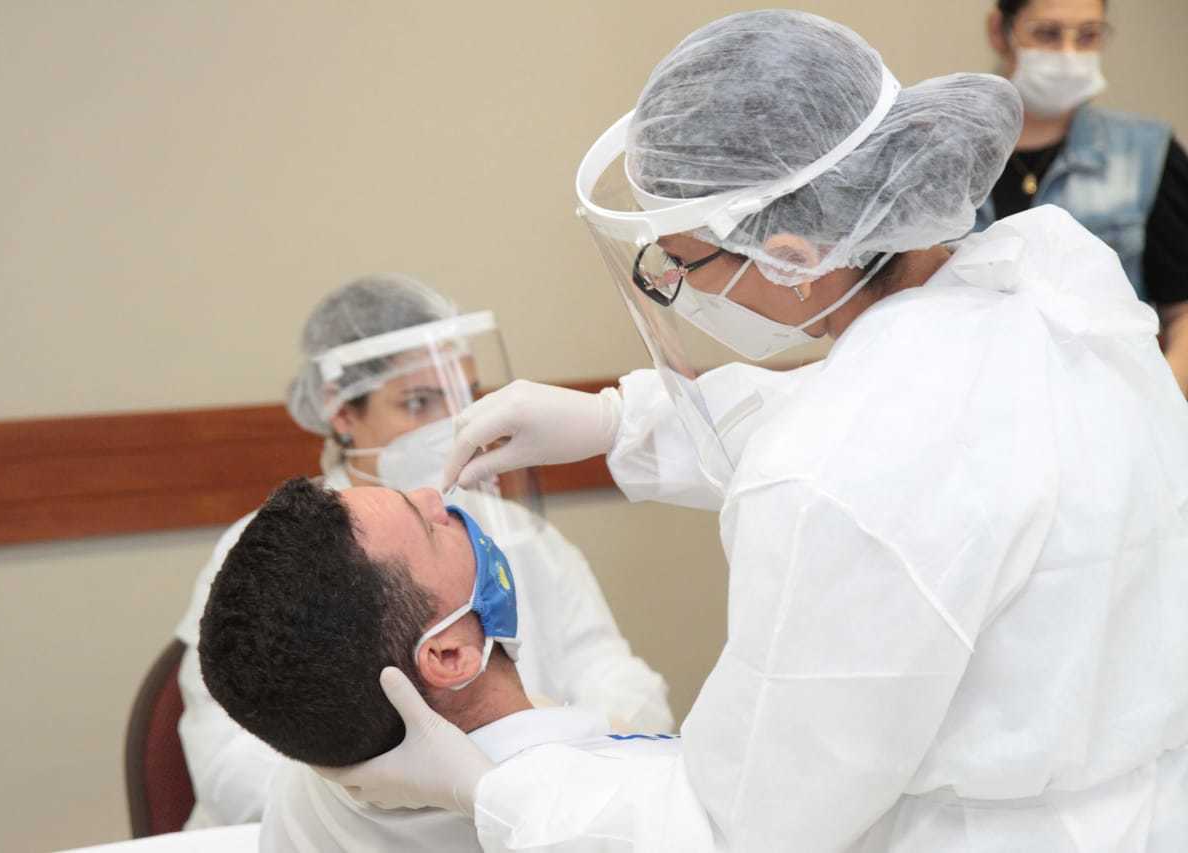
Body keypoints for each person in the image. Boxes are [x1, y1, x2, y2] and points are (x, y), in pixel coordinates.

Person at [326, 11, 1188, 852]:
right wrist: (617, 421)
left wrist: (490, 787)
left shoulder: (836, 477)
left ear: (790, 258)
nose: (676, 283)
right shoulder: (1050, 290)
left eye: (685, 259)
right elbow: (924, 438)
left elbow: (742, 829)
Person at [174, 274, 671, 828]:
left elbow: (617, 679)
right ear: (342, 412)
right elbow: (231, 765)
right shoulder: (274, 555)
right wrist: (402, 804)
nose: (451, 422)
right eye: (417, 401)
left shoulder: (519, 535)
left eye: (461, 395)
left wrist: (549, 765)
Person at [198, 477, 680, 853]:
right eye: (429, 527)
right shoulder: (615, 800)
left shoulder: (303, 793)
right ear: (448, 656)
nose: (436, 499)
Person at [981, 0, 1188, 394]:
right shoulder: (946, 154)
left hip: (1111, 408)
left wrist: (1156, 409)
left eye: (1088, 35)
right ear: (999, 32)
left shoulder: (1146, 154)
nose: (1069, 54)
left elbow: (1184, 313)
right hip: (974, 415)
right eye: (1047, 33)